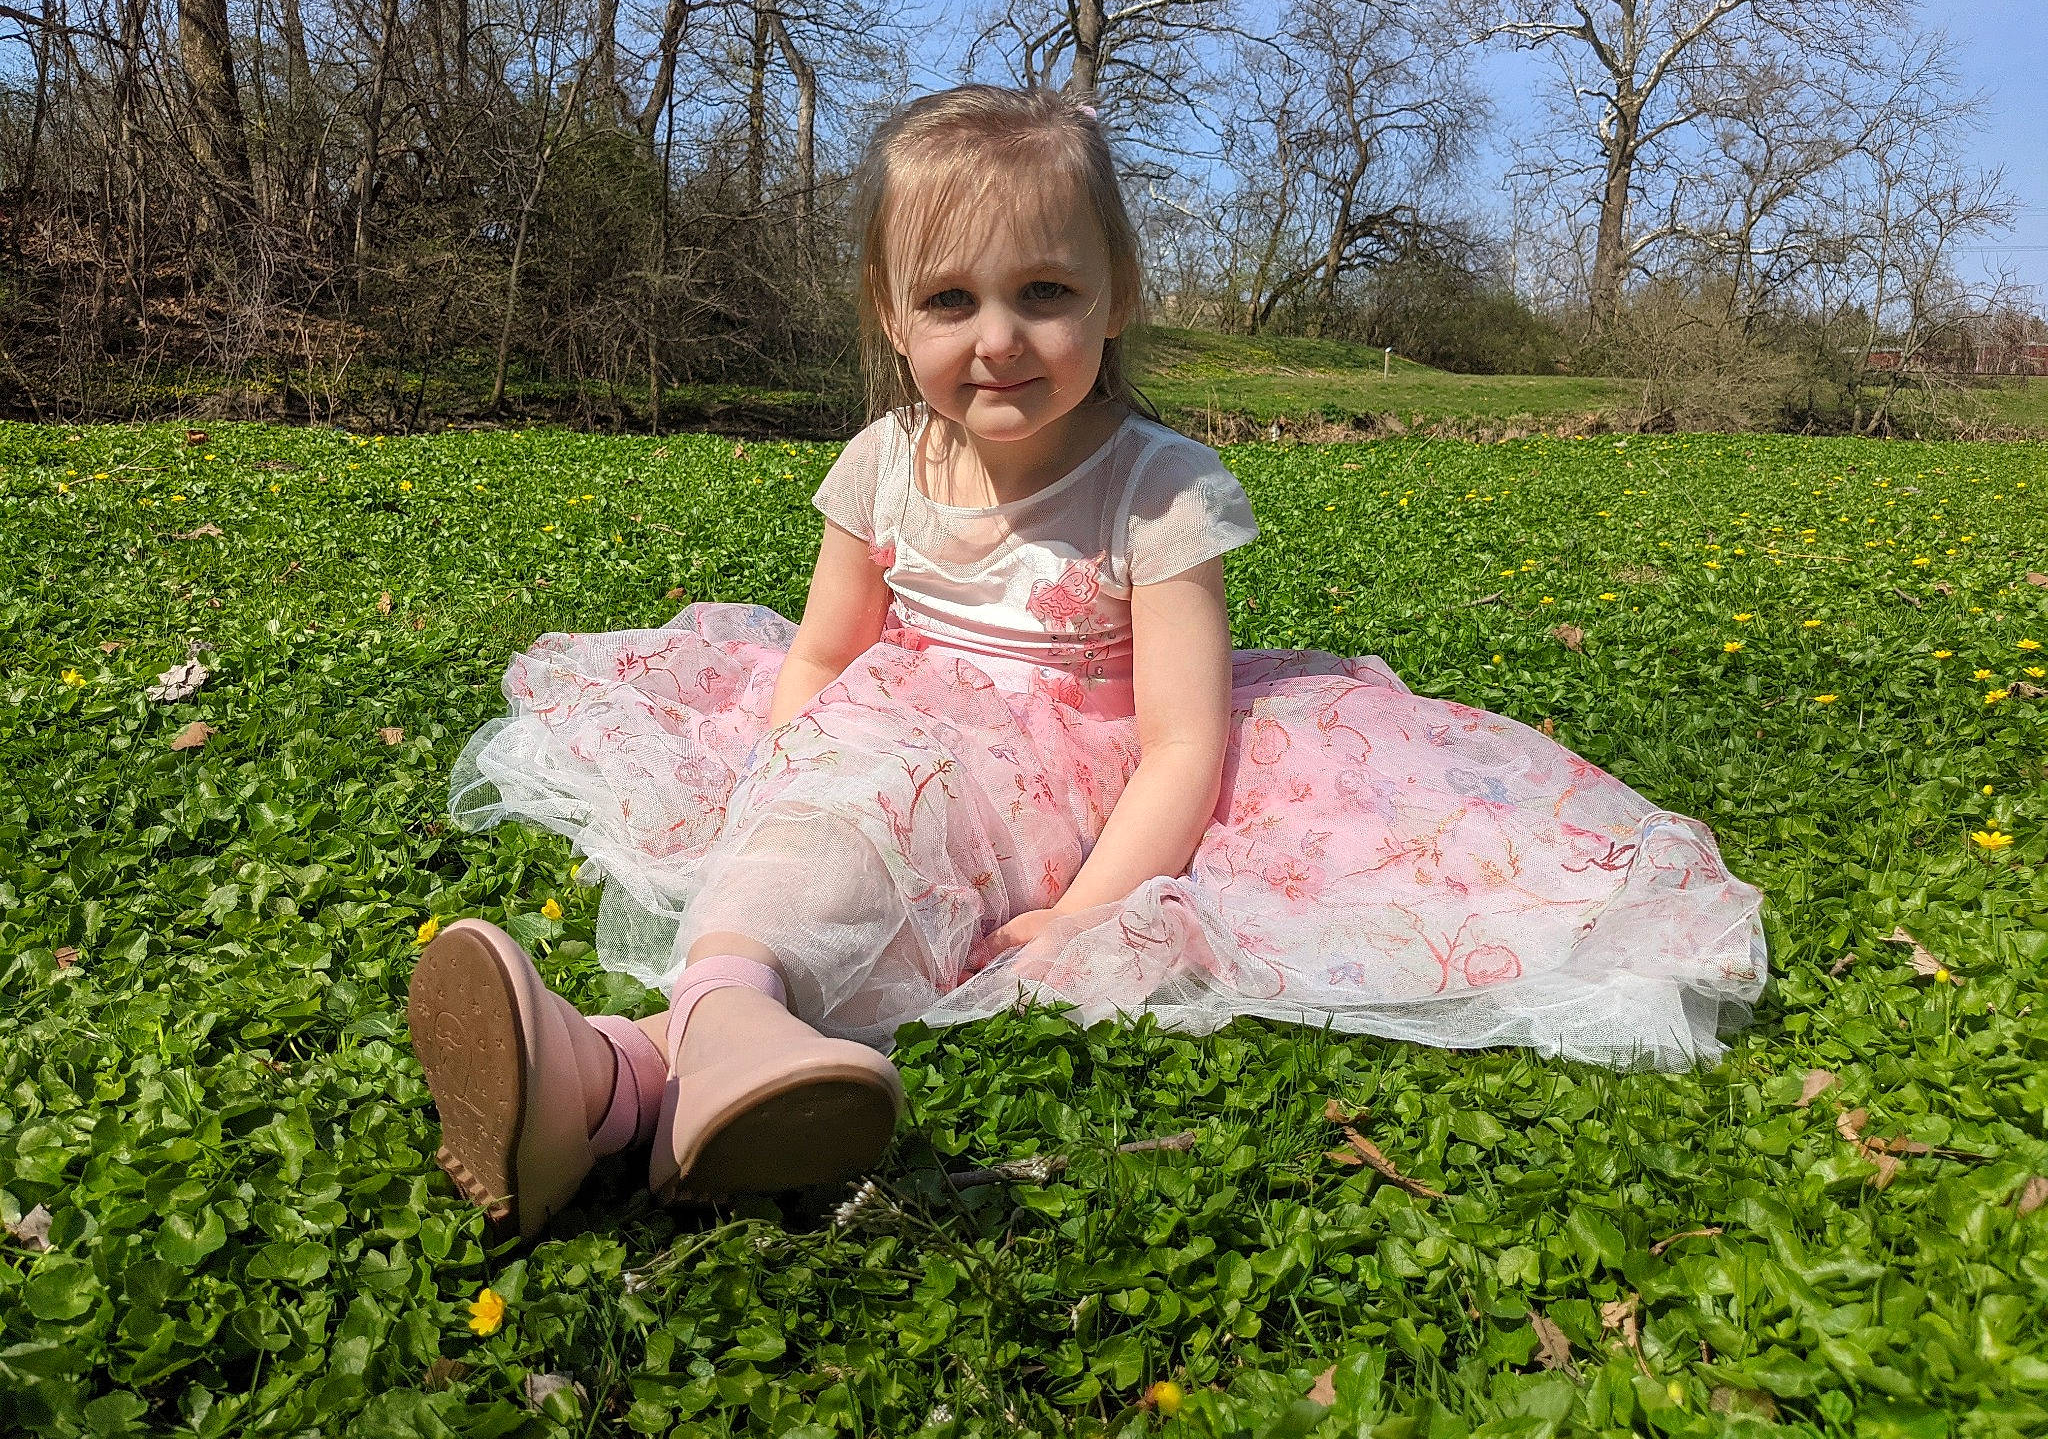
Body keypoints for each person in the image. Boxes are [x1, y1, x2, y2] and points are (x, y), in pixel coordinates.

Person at [410, 84, 1766, 1243]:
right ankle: (661, 1068)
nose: (997, 338)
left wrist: (1091, 912)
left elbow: (1183, 742)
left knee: (903, 848)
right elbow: (823, 653)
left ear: (1116, 298)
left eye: (1044, 293)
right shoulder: (882, 465)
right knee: (831, 827)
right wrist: (777, 771)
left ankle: (630, 1062)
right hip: (877, 729)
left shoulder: (1156, 489)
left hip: (1065, 772)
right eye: (951, 300)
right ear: (891, 316)